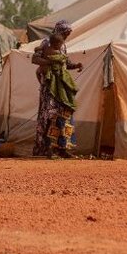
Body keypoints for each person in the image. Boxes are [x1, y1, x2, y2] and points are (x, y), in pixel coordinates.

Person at [32, 20, 83, 158]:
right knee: (50, 116)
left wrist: (77, 65)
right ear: (59, 31)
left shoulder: (63, 46)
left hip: (62, 87)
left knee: (65, 116)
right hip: (49, 88)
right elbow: (35, 59)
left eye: (68, 34)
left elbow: (66, 63)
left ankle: (63, 148)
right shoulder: (46, 43)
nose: (67, 36)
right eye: (65, 33)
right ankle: (48, 149)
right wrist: (51, 62)